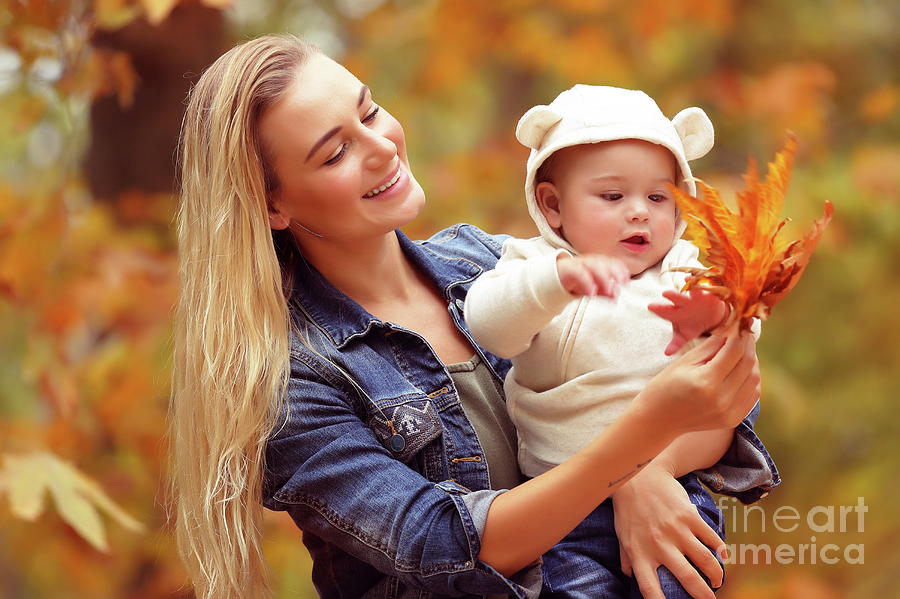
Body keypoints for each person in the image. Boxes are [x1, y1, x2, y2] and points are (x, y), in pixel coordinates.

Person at [170, 34, 779, 599]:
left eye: (370, 111)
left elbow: (721, 398)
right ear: (271, 204)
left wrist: (649, 471)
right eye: (336, 153)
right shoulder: (294, 382)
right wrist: (633, 451)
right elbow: (444, 544)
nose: (383, 147)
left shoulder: (487, 262)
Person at [463, 84, 769, 598]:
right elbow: (490, 326)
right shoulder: (532, 266)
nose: (639, 212)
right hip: (563, 510)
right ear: (553, 204)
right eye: (613, 196)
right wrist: (557, 281)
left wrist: (714, 312)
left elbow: (744, 332)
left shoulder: (680, 267)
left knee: (678, 585)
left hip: (674, 487)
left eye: (658, 197)